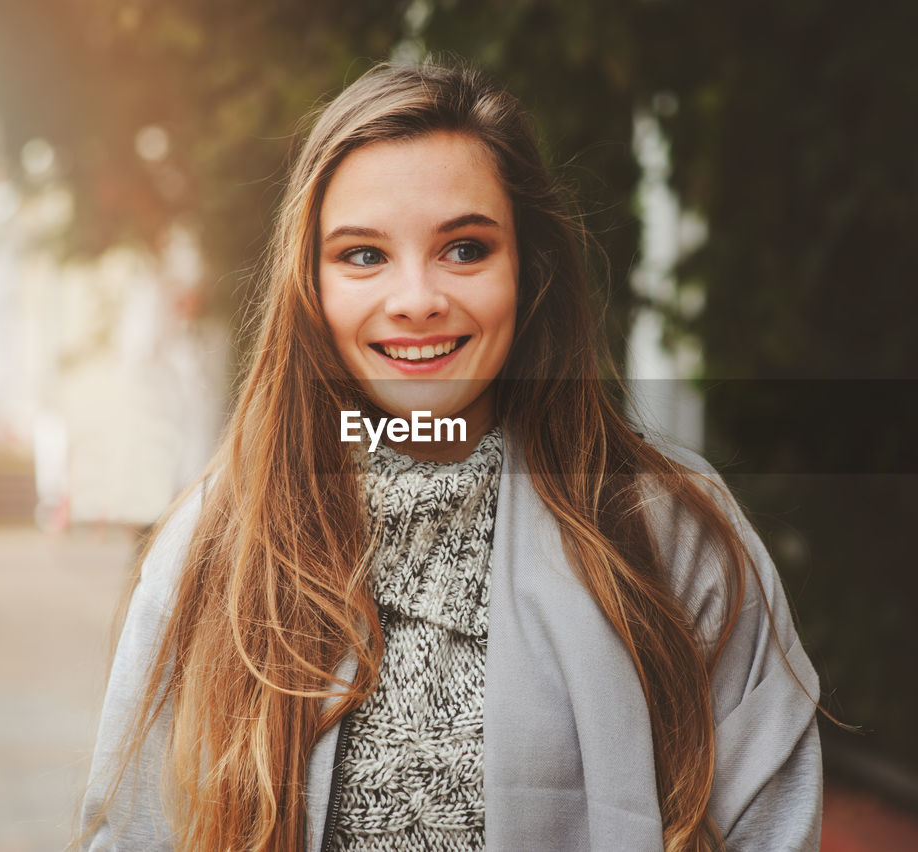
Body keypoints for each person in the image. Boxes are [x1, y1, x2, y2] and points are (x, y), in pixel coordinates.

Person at [78, 59, 822, 852]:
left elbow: (765, 827)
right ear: (312, 287)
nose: (417, 298)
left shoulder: (665, 531)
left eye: (464, 249)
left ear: (527, 271)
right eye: (363, 256)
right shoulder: (218, 545)